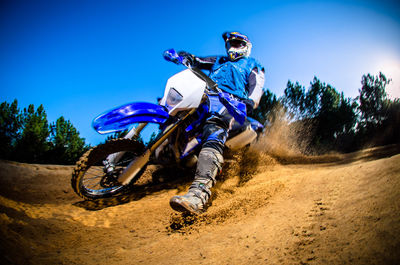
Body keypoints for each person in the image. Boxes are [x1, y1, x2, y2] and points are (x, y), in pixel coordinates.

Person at [169, 31, 265, 214]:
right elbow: (198, 60)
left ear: (245, 46)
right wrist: (185, 56)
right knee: (173, 110)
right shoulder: (219, 60)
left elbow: (256, 88)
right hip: (203, 96)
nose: (231, 47)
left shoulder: (252, 65)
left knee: (215, 128)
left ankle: (198, 195)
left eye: (236, 43)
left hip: (229, 103)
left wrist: (250, 102)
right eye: (229, 44)